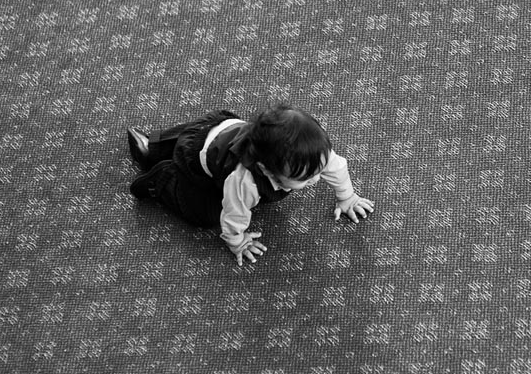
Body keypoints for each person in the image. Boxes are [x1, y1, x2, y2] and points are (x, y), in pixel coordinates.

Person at [127, 103, 375, 266]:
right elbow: (234, 216)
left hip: (223, 128)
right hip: (200, 160)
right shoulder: (245, 182)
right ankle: (161, 178)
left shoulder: (315, 155)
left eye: (319, 170)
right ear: (266, 170)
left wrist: (347, 198)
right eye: (305, 178)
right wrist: (238, 241)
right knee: (204, 213)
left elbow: (338, 168)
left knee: (196, 136)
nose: (316, 178)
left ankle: (153, 147)